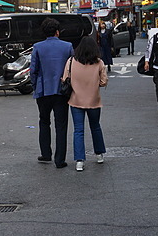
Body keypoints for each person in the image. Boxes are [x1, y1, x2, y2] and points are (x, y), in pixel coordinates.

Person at [30, 17, 74, 168]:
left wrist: (35, 86)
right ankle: (60, 159)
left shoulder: (37, 47)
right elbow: (72, 68)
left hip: (43, 91)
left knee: (44, 121)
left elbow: (33, 71)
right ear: (57, 32)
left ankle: (46, 153)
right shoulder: (67, 46)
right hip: (62, 91)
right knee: (61, 125)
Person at [64, 36, 108, 172]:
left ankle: (79, 161)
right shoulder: (99, 63)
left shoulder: (71, 61)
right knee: (95, 127)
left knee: (78, 130)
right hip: (94, 100)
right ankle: (99, 154)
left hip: (76, 100)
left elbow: (65, 78)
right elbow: (103, 81)